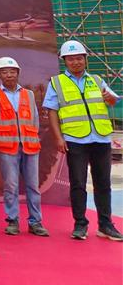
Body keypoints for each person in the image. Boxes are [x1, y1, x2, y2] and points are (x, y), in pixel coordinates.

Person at [44, 40, 122, 241]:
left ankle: (106, 224)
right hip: (75, 139)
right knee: (77, 183)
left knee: (103, 183)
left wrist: (111, 98)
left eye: (79, 58)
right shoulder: (57, 83)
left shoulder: (97, 80)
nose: (76, 62)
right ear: (65, 61)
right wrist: (58, 137)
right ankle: (80, 224)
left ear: (85, 60)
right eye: (71, 59)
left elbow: (113, 100)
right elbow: (51, 111)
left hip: (100, 137)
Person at [0, 56, 48, 237]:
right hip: (8, 147)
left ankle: (36, 222)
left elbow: (34, 119)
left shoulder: (28, 94)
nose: (9, 75)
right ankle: (13, 220)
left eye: (12, 71)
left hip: (29, 146)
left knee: (33, 186)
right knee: (10, 185)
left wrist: (32, 137)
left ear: (18, 73)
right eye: (4, 72)